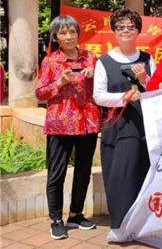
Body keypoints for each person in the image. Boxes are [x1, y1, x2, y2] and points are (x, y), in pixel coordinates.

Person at [35, 16, 99, 240]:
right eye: (63, 33)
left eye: (72, 31)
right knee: (57, 173)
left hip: (88, 122)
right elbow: (40, 92)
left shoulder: (91, 57)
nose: (69, 36)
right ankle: (56, 219)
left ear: (78, 34)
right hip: (60, 124)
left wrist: (94, 75)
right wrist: (60, 82)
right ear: (56, 37)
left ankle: (76, 214)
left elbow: (103, 86)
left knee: (83, 170)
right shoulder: (50, 61)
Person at [93, 8, 156, 230]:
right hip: (117, 128)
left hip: (144, 127)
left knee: (142, 173)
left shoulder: (147, 59)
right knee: (119, 175)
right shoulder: (104, 62)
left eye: (131, 27)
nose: (126, 31)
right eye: (121, 27)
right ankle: (121, 225)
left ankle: (141, 225)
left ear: (138, 31)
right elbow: (98, 96)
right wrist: (124, 97)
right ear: (114, 31)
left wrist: (144, 79)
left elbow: (158, 90)